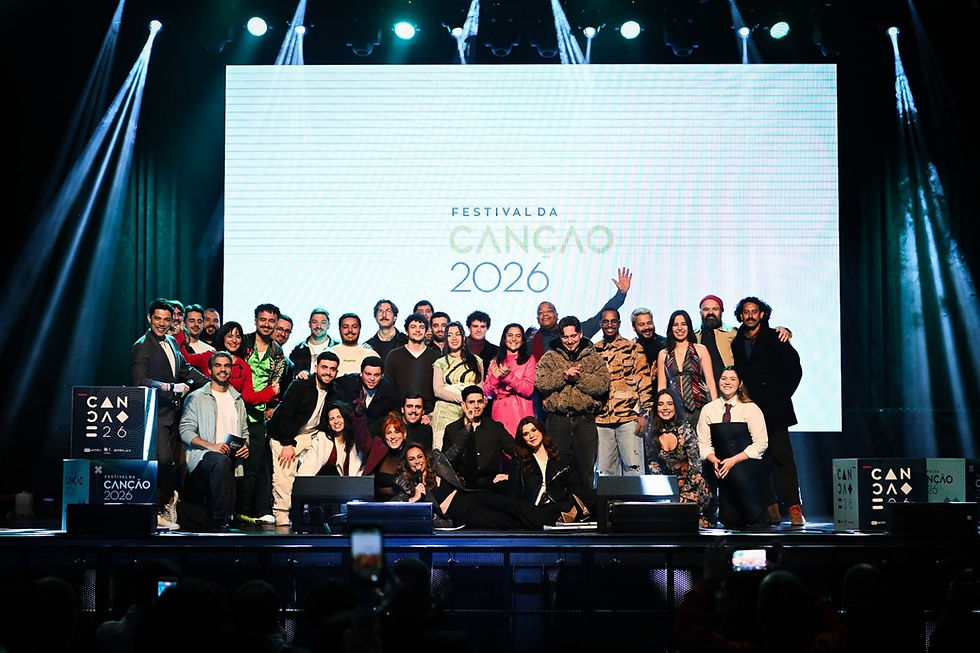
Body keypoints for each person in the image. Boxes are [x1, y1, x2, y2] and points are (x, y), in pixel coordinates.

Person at [131, 298, 208, 530]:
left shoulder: (172, 341)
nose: (162, 324)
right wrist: (171, 387)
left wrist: (212, 383)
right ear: (149, 318)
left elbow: (185, 370)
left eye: (167, 319)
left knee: (172, 464)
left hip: (173, 415)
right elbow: (139, 382)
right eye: (158, 319)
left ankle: (164, 506)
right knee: (161, 462)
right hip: (153, 414)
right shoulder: (142, 345)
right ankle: (154, 511)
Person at [731, 296, 806, 526]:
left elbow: (795, 370)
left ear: (762, 314)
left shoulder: (776, 337)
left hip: (775, 409)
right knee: (757, 460)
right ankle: (770, 509)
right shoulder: (736, 342)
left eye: (755, 311)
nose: (751, 315)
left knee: (783, 458)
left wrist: (781, 396)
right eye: (746, 312)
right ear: (741, 316)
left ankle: (794, 508)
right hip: (751, 410)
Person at [395, 443, 553, 530]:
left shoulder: (436, 466)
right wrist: (414, 498)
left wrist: (468, 426)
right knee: (498, 520)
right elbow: (393, 506)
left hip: (468, 496)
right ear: (407, 463)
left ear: (425, 457)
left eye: (419, 457)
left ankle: (550, 518)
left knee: (507, 503)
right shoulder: (406, 484)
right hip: (459, 513)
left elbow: (456, 448)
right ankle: (540, 527)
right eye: (412, 459)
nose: (417, 461)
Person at [535, 315, 610, 492]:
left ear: (580, 334)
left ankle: (584, 510)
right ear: (560, 337)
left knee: (585, 469)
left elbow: (602, 385)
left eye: (573, 336)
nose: (570, 341)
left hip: (584, 419)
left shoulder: (593, 357)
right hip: (557, 420)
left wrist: (579, 378)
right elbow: (541, 383)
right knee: (556, 468)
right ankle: (560, 510)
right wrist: (563, 375)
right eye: (565, 337)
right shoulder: (550, 357)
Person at [178, 351, 250, 531]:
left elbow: (244, 431)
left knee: (225, 463)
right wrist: (211, 446)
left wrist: (246, 446)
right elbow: (185, 431)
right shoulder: (197, 397)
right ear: (210, 369)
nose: (223, 369)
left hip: (231, 459)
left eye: (227, 366)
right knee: (220, 461)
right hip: (204, 457)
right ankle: (221, 521)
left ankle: (221, 519)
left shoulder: (237, 399)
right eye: (218, 365)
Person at [268, 351, 339, 527]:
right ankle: (282, 516)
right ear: (316, 367)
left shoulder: (334, 389)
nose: (328, 372)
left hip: (310, 435)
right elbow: (285, 414)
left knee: (308, 471)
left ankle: (304, 513)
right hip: (284, 434)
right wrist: (287, 443)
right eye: (324, 367)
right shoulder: (301, 385)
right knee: (284, 474)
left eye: (332, 369)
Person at [696, 367, 770, 529]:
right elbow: (703, 443)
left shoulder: (750, 408)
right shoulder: (709, 409)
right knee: (730, 521)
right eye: (724, 378)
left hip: (747, 463)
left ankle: (758, 515)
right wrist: (713, 459)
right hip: (720, 465)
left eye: (732, 379)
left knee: (737, 472)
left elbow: (761, 443)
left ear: (740, 383)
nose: (727, 382)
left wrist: (733, 461)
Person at [239, 303, 286, 523]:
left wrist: (270, 406)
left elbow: (276, 384)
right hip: (235, 409)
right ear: (256, 320)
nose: (266, 324)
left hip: (258, 415)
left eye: (271, 321)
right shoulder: (244, 342)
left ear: (276, 323)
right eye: (263, 320)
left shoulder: (277, 350)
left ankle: (245, 511)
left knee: (254, 465)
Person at [526, 267, 633, 362]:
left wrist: (621, 294)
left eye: (549, 310)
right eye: (541, 312)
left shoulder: (576, 330)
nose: (545, 314)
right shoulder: (531, 344)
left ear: (557, 315)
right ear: (537, 319)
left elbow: (600, 317)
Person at [595, 308, 653, 476]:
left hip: (629, 417)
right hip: (602, 419)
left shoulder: (634, 348)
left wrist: (645, 413)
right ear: (600, 324)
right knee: (604, 471)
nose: (609, 325)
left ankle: (633, 503)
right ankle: (609, 503)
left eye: (613, 321)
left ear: (619, 324)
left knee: (633, 468)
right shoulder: (594, 351)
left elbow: (644, 382)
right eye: (605, 321)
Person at [645, 389, 713, 527]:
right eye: (661, 404)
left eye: (669, 404)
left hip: (692, 488)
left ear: (675, 407)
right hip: (667, 490)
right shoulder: (652, 432)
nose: (665, 408)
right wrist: (666, 493)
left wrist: (682, 495)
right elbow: (652, 465)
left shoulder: (685, 429)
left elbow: (696, 466)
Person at [696, 294, 793, 386]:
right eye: (706, 309)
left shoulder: (734, 333)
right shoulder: (693, 336)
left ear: (721, 311)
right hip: (704, 390)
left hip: (732, 389)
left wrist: (783, 330)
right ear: (700, 312)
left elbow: (757, 333)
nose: (710, 313)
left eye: (715, 309)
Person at [510, 417, 589, 523]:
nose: (531, 436)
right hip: (534, 509)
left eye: (534, 430)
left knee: (594, 496)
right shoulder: (520, 462)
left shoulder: (564, 458)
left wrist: (574, 506)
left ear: (541, 430)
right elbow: (516, 494)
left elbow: (575, 488)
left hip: (559, 504)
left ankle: (568, 515)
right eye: (526, 434)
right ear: (522, 439)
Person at [183, 321, 281, 406]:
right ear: (223, 338)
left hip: (230, 411)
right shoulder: (208, 356)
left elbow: (248, 397)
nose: (234, 340)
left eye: (238, 337)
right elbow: (185, 359)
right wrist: (179, 335)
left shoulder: (244, 367)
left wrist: (270, 391)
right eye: (230, 336)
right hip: (206, 407)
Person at [442, 385, 515, 493]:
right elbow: (444, 464)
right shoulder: (452, 429)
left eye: (479, 401)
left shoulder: (495, 427)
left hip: (491, 485)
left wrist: (511, 476)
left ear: (484, 403)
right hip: (462, 487)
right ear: (463, 405)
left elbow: (517, 451)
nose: (476, 406)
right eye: (471, 402)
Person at [657, 309, 717, 425]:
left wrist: (715, 408)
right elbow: (661, 387)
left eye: (683, 324)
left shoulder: (700, 349)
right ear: (671, 328)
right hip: (674, 409)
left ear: (689, 327)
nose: (680, 328)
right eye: (675, 325)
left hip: (699, 406)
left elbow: (710, 381)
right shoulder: (664, 354)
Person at [431, 321, 484, 449]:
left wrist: (471, 403)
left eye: (457, 334)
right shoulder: (440, 362)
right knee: (442, 455)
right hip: (445, 412)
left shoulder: (476, 361)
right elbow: (438, 390)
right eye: (450, 335)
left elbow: (480, 387)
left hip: (469, 412)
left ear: (463, 337)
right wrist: (463, 399)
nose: (454, 338)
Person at [482, 323, 536, 436]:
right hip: (499, 412)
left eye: (518, 336)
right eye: (510, 335)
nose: (514, 339)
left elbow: (528, 390)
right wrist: (496, 377)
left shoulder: (529, 360)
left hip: (521, 411)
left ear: (522, 340)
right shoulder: (495, 362)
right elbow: (487, 392)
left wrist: (508, 377)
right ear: (504, 338)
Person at [384, 313, 440, 413]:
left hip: (428, 415)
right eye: (413, 327)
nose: (418, 330)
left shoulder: (436, 357)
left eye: (421, 327)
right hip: (399, 414)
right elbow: (388, 389)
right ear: (406, 331)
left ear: (426, 331)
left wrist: (432, 415)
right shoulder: (393, 356)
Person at [353, 410, 410, 500]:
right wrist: (359, 415)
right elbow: (362, 438)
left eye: (397, 431)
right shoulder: (378, 448)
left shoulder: (411, 452)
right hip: (376, 503)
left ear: (404, 434)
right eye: (389, 432)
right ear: (384, 436)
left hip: (404, 505)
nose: (393, 436)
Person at [334, 355, 400, 432]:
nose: (372, 379)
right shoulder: (346, 384)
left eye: (376, 375)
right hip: (348, 432)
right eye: (368, 374)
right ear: (361, 373)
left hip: (376, 436)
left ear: (382, 376)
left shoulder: (390, 392)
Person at [290, 308, 338, 376]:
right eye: (315, 322)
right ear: (309, 324)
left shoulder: (337, 347)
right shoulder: (298, 350)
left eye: (323, 322)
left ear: (329, 325)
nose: (318, 326)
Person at [630, 307, 666, 381]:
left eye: (649, 323)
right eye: (642, 324)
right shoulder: (631, 348)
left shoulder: (666, 344)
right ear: (634, 327)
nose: (647, 327)